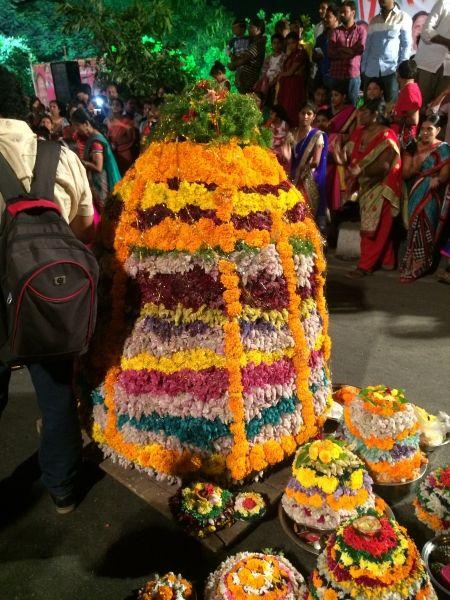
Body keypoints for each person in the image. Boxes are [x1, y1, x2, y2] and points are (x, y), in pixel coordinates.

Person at [0, 65, 94, 513]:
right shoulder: (60, 155)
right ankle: (62, 491)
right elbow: (83, 223)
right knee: (56, 395)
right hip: (48, 290)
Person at [345, 98, 402, 277]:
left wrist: (361, 173)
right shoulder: (359, 132)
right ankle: (387, 261)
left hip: (383, 185)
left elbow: (384, 167)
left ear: (375, 115)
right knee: (378, 226)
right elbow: (351, 154)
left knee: (372, 229)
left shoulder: (387, 135)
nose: (359, 114)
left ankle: (364, 266)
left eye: (364, 112)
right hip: (365, 184)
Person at [400, 115, 450, 282]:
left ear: (438, 131)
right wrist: (416, 166)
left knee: (425, 226)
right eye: (423, 128)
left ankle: (423, 264)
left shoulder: (444, 149)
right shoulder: (412, 147)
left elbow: (444, 174)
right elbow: (405, 173)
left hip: (432, 193)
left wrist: (437, 180)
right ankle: (410, 262)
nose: (426, 132)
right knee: (412, 227)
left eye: (430, 129)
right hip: (414, 190)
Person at [71, 108, 121, 224]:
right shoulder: (95, 136)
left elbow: (98, 166)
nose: (76, 130)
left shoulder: (95, 141)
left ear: (86, 123)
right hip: (99, 180)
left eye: (77, 126)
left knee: (104, 209)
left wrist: (82, 162)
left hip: (101, 181)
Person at [361, 0, 412, 103]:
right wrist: (363, 69)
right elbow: (367, 48)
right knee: (369, 107)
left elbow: (406, 46)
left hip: (392, 71)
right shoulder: (374, 20)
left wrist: (400, 70)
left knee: (390, 107)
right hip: (371, 71)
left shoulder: (403, 17)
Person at [290, 103, 328, 224]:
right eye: (303, 113)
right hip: (292, 176)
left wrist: (302, 168)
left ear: (313, 117)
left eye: (309, 114)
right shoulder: (292, 133)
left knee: (304, 214)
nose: (305, 116)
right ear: (298, 115)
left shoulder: (317, 136)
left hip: (308, 179)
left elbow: (316, 162)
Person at [328, 1, 367, 105]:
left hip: (353, 76)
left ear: (353, 13)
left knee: (351, 107)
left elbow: (360, 49)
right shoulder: (335, 32)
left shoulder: (361, 31)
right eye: (340, 12)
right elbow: (330, 53)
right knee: (335, 107)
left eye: (344, 12)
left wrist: (340, 49)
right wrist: (349, 51)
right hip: (336, 75)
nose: (341, 14)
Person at [327, 82, 358, 212]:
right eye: (332, 95)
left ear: (344, 97)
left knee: (337, 185)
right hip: (327, 153)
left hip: (340, 154)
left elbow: (351, 135)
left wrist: (338, 139)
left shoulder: (351, 113)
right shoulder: (328, 111)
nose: (333, 98)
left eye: (336, 95)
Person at [415, 0, 450, 108]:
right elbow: (426, 31)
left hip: (448, 70)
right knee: (419, 106)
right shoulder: (444, 3)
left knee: (439, 112)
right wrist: (447, 42)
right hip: (428, 64)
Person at [277, 33, 310, 127]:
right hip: (287, 86)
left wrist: (280, 75)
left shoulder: (301, 53)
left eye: (293, 43)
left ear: (298, 42)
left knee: (293, 108)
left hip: (295, 85)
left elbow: (290, 72)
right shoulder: (291, 54)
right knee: (284, 108)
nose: (291, 45)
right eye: (289, 43)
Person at [390, 59, 422, 148]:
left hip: (403, 139)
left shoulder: (410, 92)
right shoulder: (408, 88)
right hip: (398, 136)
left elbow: (414, 120)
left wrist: (393, 119)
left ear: (398, 74)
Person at [230, 17, 266, 94]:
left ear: (258, 29)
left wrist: (233, 64)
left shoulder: (258, 44)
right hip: (246, 83)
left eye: (251, 27)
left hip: (249, 82)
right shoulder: (253, 43)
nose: (248, 30)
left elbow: (245, 59)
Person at [104, 98, 138, 176]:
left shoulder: (127, 120)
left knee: (126, 175)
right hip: (112, 151)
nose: (115, 107)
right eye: (113, 105)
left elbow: (131, 136)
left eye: (117, 105)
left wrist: (120, 124)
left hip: (124, 151)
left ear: (122, 108)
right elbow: (106, 136)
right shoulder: (108, 120)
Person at [313, 4, 340, 90]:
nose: (326, 19)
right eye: (326, 17)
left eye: (329, 17)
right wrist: (316, 56)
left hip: (336, 76)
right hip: (321, 75)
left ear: (336, 17)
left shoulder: (342, 35)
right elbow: (313, 56)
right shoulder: (321, 37)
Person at [254, 34, 285, 104]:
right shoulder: (268, 58)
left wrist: (275, 80)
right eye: (274, 43)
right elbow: (263, 71)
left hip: (278, 82)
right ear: (271, 44)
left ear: (282, 44)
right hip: (266, 82)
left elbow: (282, 71)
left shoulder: (284, 57)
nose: (276, 45)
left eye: (278, 43)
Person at [266, 104, 291, 171]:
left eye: (272, 113)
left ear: (278, 115)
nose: (270, 115)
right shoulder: (270, 123)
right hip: (270, 147)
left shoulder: (284, 124)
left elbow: (287, 138)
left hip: (280, 148)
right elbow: (265, 133)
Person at [227, 19, 250, 93]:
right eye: (232, 28)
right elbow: (227, 49)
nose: (233, 30)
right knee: (239, 74)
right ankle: (240, 89)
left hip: (246, 60)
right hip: (237, 60)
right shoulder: (233, 40)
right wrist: (231, 55)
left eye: (235, 28)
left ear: (243, 29)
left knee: (245, 76)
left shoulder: (248, 39)